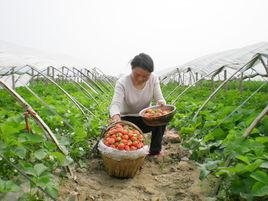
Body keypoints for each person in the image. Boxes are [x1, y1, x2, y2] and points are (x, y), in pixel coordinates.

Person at [109, 53, 166, 156]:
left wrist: (161, 104)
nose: (140, 79)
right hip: (126, 119)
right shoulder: (123, 82)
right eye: (137, 75)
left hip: (144, 119)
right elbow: (115, 104)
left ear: (150, 74)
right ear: (132, 69)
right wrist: (116, 116)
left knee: (161, 118)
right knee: (120, 138)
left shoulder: (153, 79)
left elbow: (160, 99)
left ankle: (154, 151)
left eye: (145, 76)